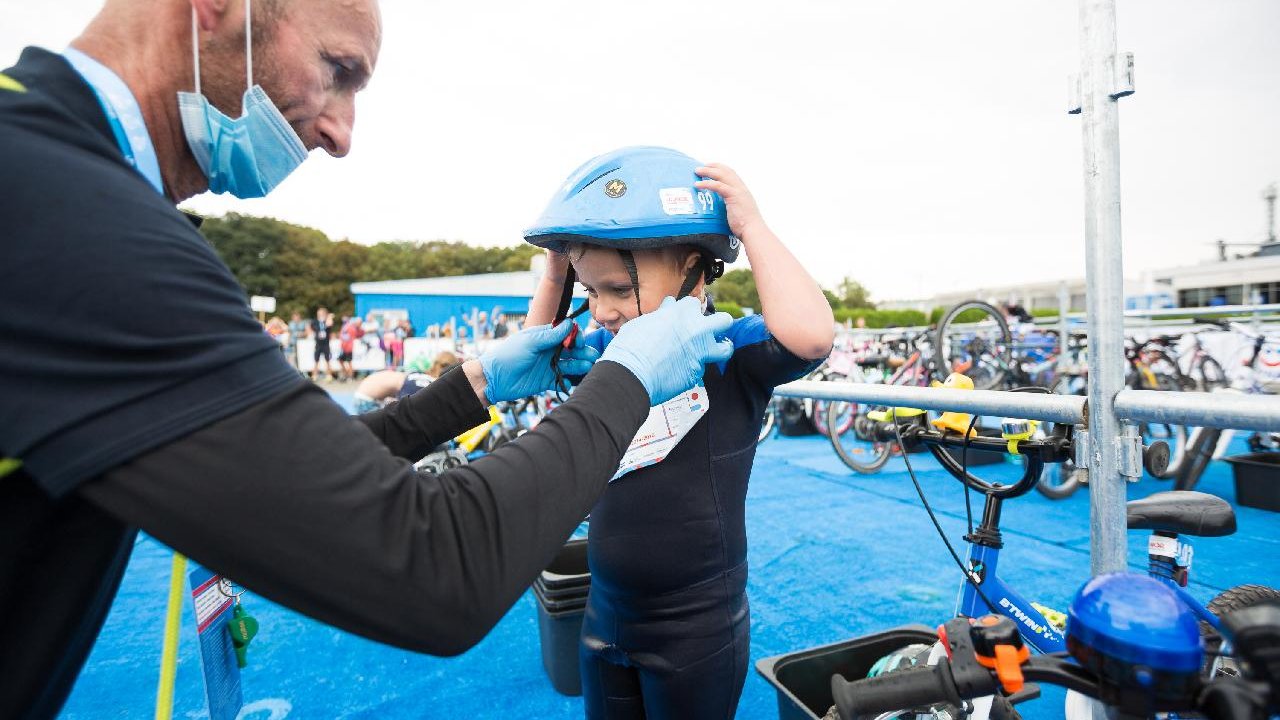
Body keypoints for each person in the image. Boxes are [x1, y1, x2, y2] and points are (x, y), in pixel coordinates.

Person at [0, 4, 735, 718]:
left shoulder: (47, 172)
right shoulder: (67, 213)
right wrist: (628, 377)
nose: (341, 130)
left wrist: (476, 383)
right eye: (337, 68)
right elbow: (434, 568)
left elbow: (299, 470)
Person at [523, 147, 834, 719]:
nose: (601, 312)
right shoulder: (606, 354)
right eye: (591, 292)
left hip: (695, 628)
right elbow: (534, 351)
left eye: (618, 289)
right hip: (605, 611)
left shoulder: (727, 349)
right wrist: (556, 271)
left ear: (693, 270)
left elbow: (810, 336)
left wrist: (754, 227)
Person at [309, 306, 335, 381]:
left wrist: (329, 317)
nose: (320, 315)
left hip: (326, 343)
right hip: (318, 343)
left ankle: (329, 376)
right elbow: (314, 328)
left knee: (327, 360)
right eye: (319, 314)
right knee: (316, 360)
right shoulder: (315, 322)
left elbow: (329, 324)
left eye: (321, 314)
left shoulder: (327, 321)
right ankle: (314, 376)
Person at [338, 313, 364, 381]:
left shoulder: (352, 328)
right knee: (341, 360)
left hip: (348, 347)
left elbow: (355, 335)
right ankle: (346, 374)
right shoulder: (346, 326)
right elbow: (342, 335)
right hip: (344, 347)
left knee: (349, 362)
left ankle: (350, 376)